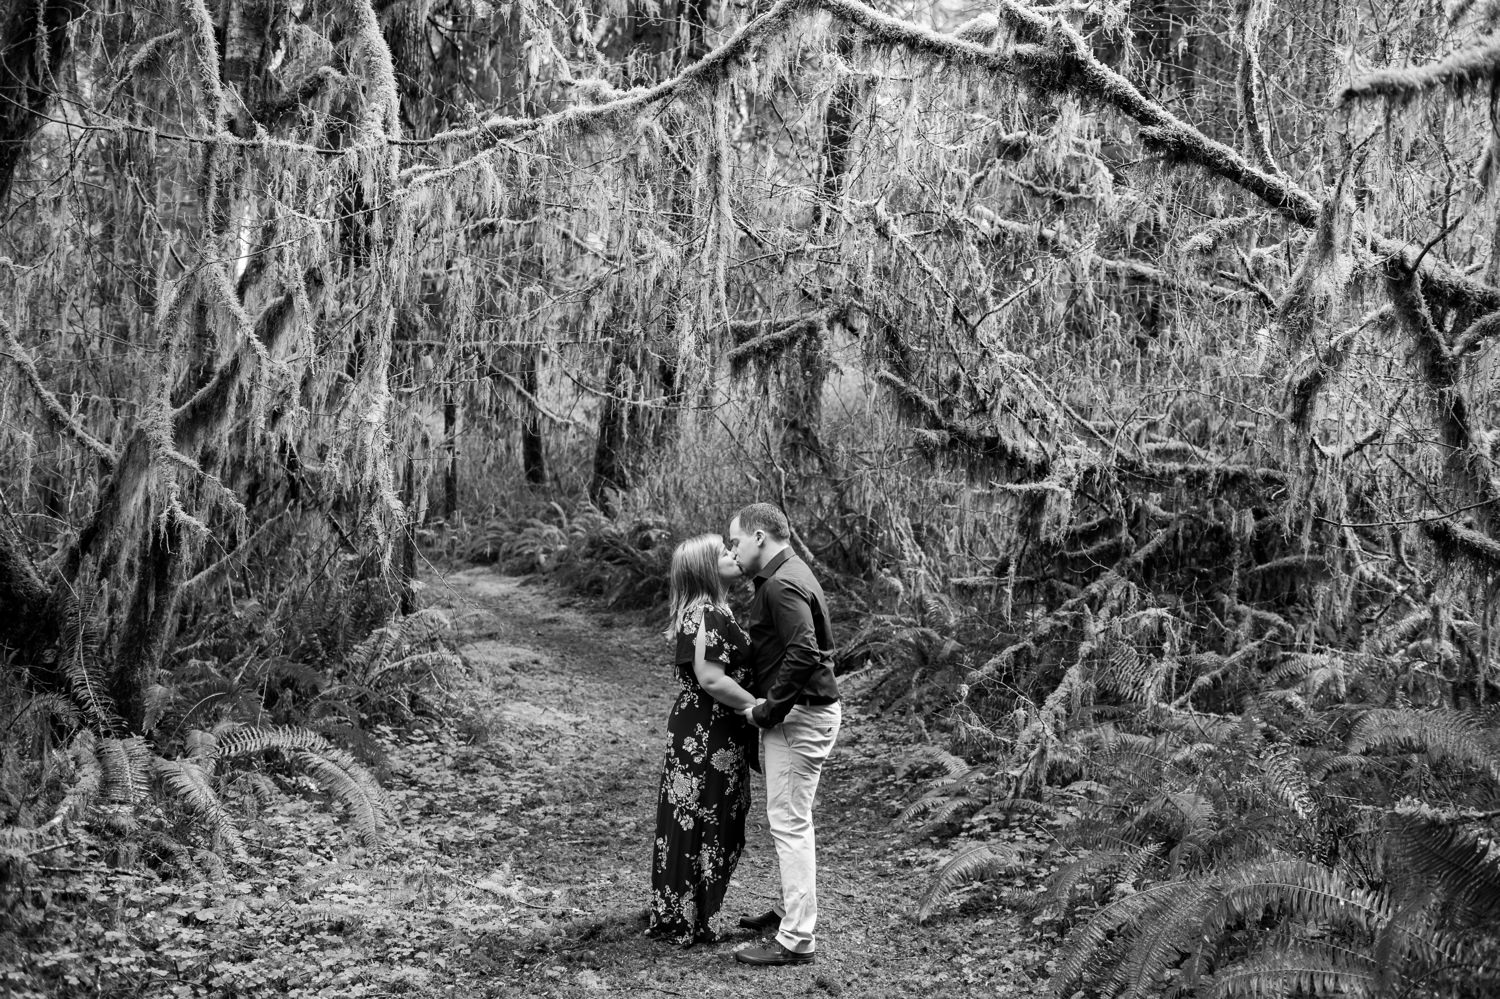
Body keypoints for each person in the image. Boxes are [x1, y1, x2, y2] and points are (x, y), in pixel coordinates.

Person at [726, 503, 841, 967]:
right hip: (806, 712)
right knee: (792, 819)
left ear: (758, 536)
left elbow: (805, 652)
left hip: (800, 717)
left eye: (734, 541)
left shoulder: (781, 583)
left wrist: (769, 711)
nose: (732, 551)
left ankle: (797, 938)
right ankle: (788, 911)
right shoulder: (788, 572)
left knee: (790, 824)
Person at [646, 533, 759, 946]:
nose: (733, 554)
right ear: (707, 567)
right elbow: (712, 679)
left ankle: (682, 911)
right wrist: (761, 708)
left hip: (704, 729)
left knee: (694, 817)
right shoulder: (708, 612)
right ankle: (689, 917)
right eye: (723, 552)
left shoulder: (706, 609)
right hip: (708, 733)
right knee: (706, 818)